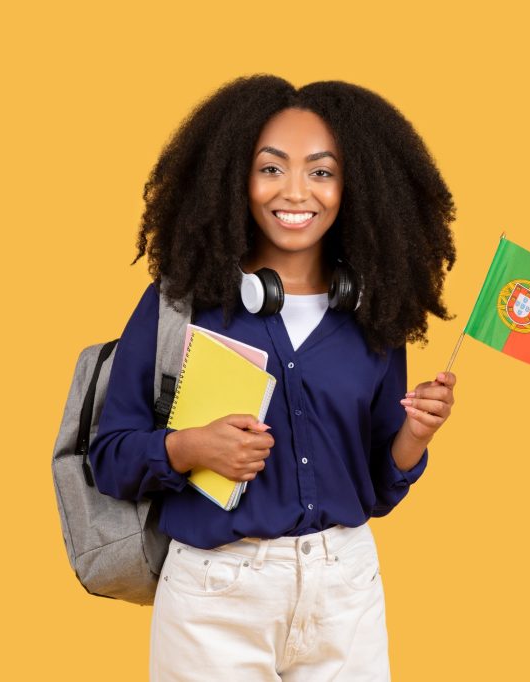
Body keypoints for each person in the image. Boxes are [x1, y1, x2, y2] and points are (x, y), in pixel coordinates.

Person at [89, 74, 458, 681]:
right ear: (234, 178)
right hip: (215, 596)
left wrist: (416, 436)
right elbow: (109, 457)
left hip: (346, 590)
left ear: (353, 184)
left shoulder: (375, 311)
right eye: (271, 169)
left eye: (321, 170)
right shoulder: (178, 304)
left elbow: (377, 487)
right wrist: (191, 447)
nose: (295, 191)